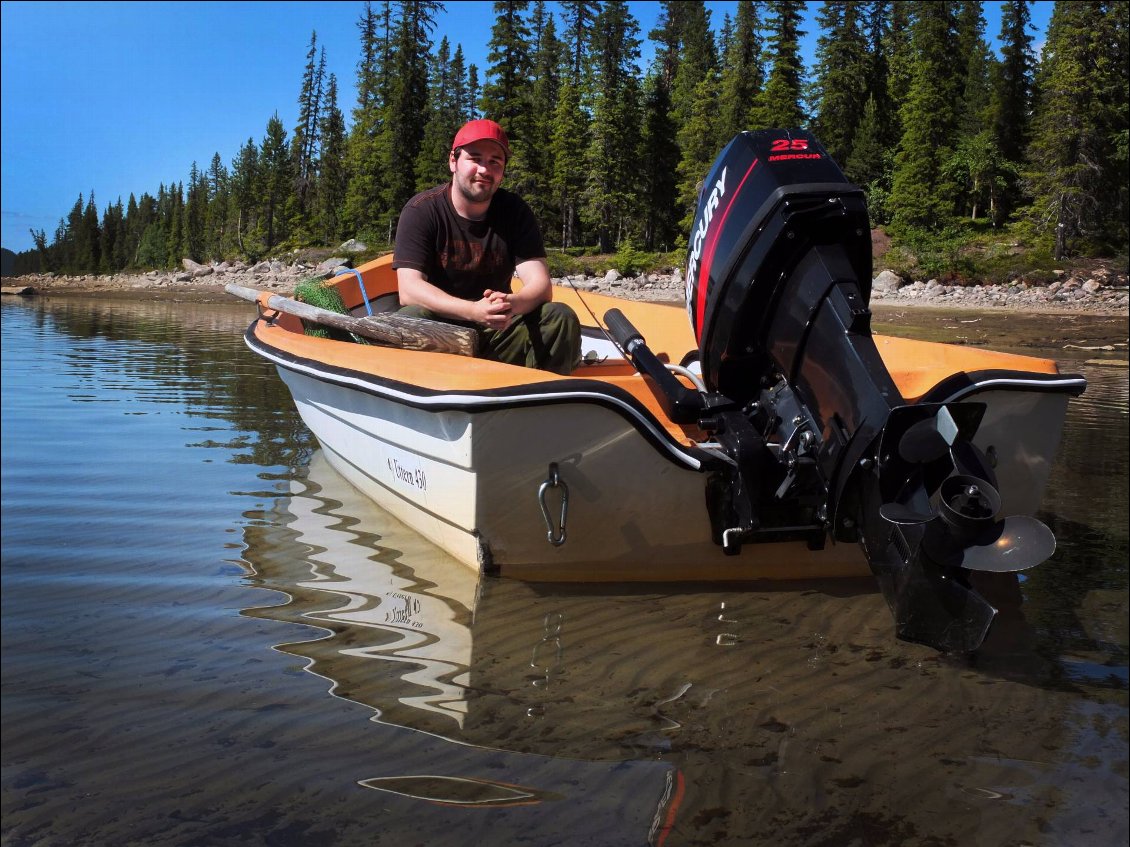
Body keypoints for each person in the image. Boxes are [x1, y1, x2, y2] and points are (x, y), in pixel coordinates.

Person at [392, 118, 581, 375]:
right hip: (442, 329)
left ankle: (542, 403)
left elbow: (540, 286)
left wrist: (510, 304)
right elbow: (409, 290)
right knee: (409, 318)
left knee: (559, 317)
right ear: (453, 161)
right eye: (475, 158)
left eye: (495, 161)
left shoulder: (515, 211)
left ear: (502, 170)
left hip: (498, 329)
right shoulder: (422, 210)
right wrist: (472, 311)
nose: (484, 169)